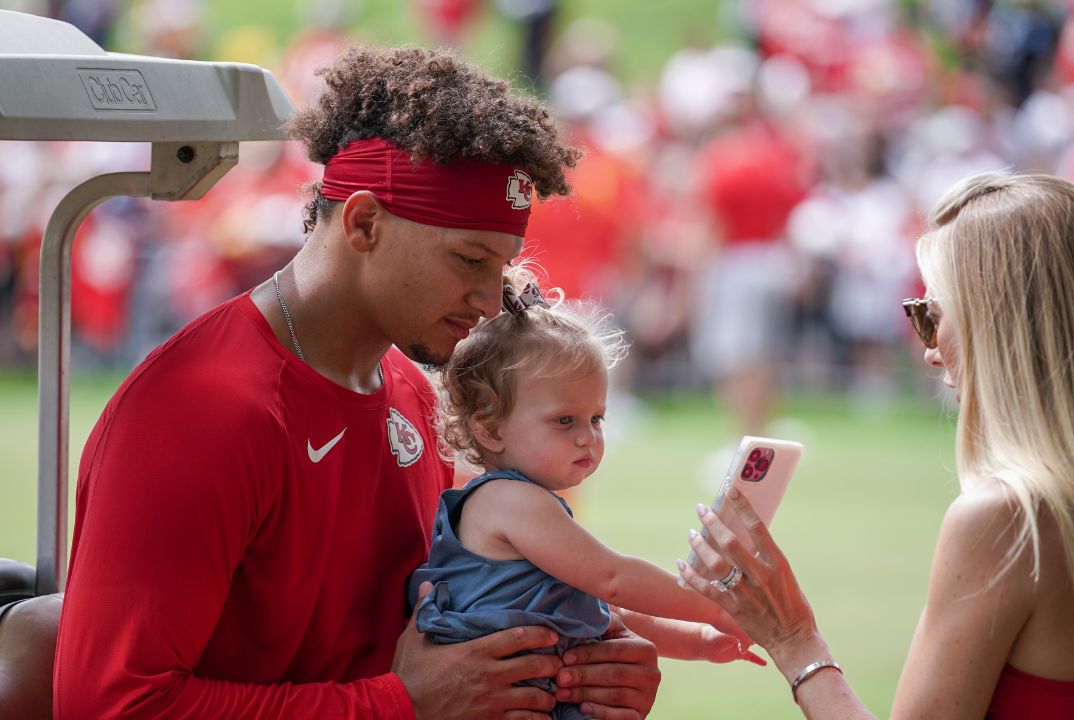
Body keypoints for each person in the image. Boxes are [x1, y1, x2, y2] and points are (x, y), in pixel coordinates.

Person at [54, 46, 661, 719]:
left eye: (502, 266)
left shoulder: (411, 392)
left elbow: (430, 633)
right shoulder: (201, 410)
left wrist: (581, 665)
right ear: (364, 223)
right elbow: (110, 705)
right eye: (469, 260)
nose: (492, 301)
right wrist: (399, 704)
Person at [677, 172, 1074, 720]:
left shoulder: (1008, 519)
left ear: (1000, 328)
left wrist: (792, 639)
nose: (929, 351)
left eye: (930, 315)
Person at [409, 271, 762, 718]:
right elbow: (614, 579)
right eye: (564, 421)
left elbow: (605, 611)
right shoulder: (507, 502)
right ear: (490, 429)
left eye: (596, 418)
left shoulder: (526, 504)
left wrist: (700, 643)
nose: (587, 437)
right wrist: (716, 606)